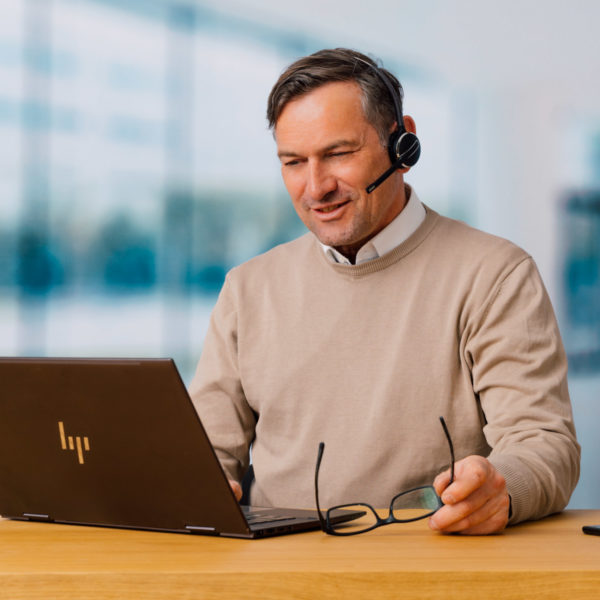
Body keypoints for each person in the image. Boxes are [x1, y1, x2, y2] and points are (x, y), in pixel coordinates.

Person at [189, 48, 580, 535]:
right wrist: (189, 487)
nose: (315, 188)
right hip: (276, 573)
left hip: (430, 567)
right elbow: (204, 453)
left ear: (403, 143)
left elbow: (545, 444)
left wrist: (501, 487)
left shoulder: (494, 274)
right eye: (293, 162)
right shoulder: (247, 289)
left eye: (338, 153)